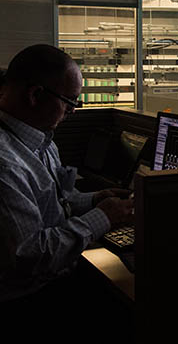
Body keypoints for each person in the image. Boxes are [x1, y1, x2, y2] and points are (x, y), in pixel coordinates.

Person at [0, 45, 134, 326]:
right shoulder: (5, 163)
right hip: (28, 301)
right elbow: (29, 255)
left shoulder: (40, 139)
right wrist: (103, 217)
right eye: (69, 101)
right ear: (35, 95)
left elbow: (57, 201)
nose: (73, 111)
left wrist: (96, 199)